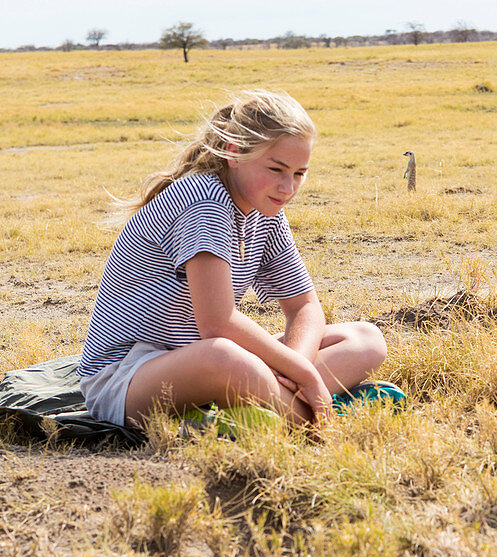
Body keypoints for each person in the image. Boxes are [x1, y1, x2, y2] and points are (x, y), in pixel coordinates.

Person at [77, 89, 388, 430]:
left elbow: (303, 306)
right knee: (224, 356)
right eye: (276, 169)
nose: (288, 187)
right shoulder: (204, 204)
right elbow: (218, 323)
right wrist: (305, 376)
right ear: (234, 153)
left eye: (299, 173)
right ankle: (319, 419)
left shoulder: (265, 208)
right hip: (128, 376)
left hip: (203, 360)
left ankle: (264, 408)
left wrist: (298, 371)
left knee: (365, 339)